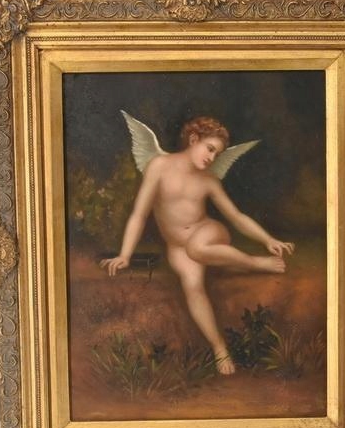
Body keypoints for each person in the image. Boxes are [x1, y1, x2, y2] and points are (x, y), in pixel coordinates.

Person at [100, 116, 294, 375]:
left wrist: (268, 239)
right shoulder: (159, 166)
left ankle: (255, 262)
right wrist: (125, 255)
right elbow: (139, 214)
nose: (212, 158)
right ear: (193, 140)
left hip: (209, 233)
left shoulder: (208, 180)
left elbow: (236, 217)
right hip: (178, 247)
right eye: (210, 149)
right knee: (193, 287)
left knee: (196, 249)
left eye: (217, 154)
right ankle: (219, 347)